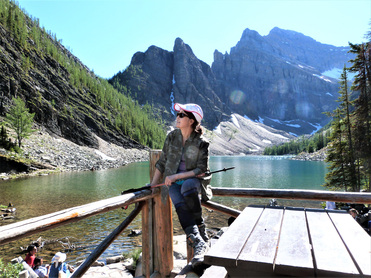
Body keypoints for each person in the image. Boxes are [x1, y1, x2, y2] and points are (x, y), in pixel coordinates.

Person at [150, 103, 212, 267]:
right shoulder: (171, 137)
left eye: (181, 115)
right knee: (178, 201)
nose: (177, 117)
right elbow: (162, 162)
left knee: (187, 187)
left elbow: (202, 169)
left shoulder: (202, 142)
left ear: (191, 120)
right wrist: (152, 185)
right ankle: (199, 241)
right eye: (178, 114)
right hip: (174, 183)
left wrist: (178, 175)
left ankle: (201, 228)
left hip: (194, 181)